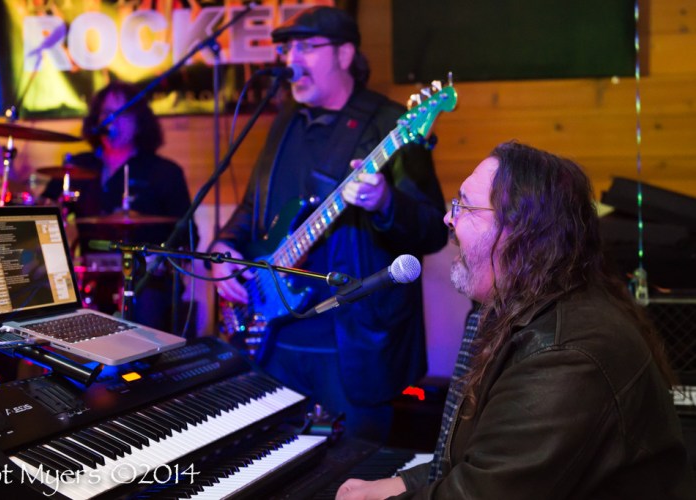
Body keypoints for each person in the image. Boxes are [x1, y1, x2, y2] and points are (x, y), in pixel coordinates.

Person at [335, 141, 696, 499]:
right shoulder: (520, 309)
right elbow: (491, 457)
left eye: (465, 206)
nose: (448, 218)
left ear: (522, 233)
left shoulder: (565, 355)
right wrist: (405, 483)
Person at [208, 6, 449, 442]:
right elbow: (254, 207)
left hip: (352, 348)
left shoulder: (389, 124)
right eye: (287, 49)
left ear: (345, 54)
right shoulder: (285, 122)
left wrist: (385, 202)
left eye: (306, 47)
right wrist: (224, 248)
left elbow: (432, 230)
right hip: (274, 341)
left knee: (352, 467)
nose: (291, 60)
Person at [43, 81, 192, 333]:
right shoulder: (78, 166)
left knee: (145, 313)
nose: (113, 120)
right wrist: (15, 177)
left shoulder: (164, 172)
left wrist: (161, 259)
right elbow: (44, 213)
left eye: (123, 112)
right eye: (106, 113)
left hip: (145, 277)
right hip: (87, 275)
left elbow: (187, 236)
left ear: (140, 121)